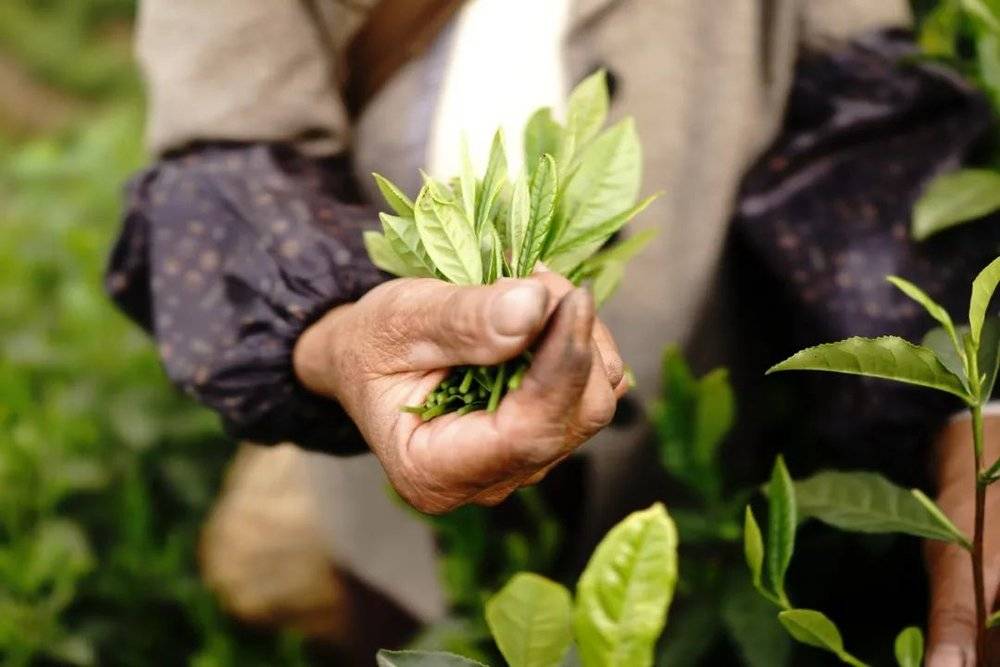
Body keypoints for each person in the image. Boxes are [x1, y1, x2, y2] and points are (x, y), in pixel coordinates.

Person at [105, 1, 997, 664]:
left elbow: (867, 137)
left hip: (707, 497)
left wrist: (972, 418)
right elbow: (222, 169)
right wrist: (336, 338)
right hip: (387, 519)